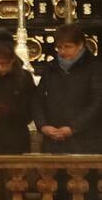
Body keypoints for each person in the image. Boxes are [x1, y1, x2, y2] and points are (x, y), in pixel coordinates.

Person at [33, 24, 102, 153]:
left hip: (86, 143)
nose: (62, 52)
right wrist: (43, 126)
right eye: (59, 47)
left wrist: (73, 127)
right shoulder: (51, 68)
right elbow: (37, 100)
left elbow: (97, 102)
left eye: (68, 47)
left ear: (80, 45)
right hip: (52, 143)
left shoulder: (94, 68)